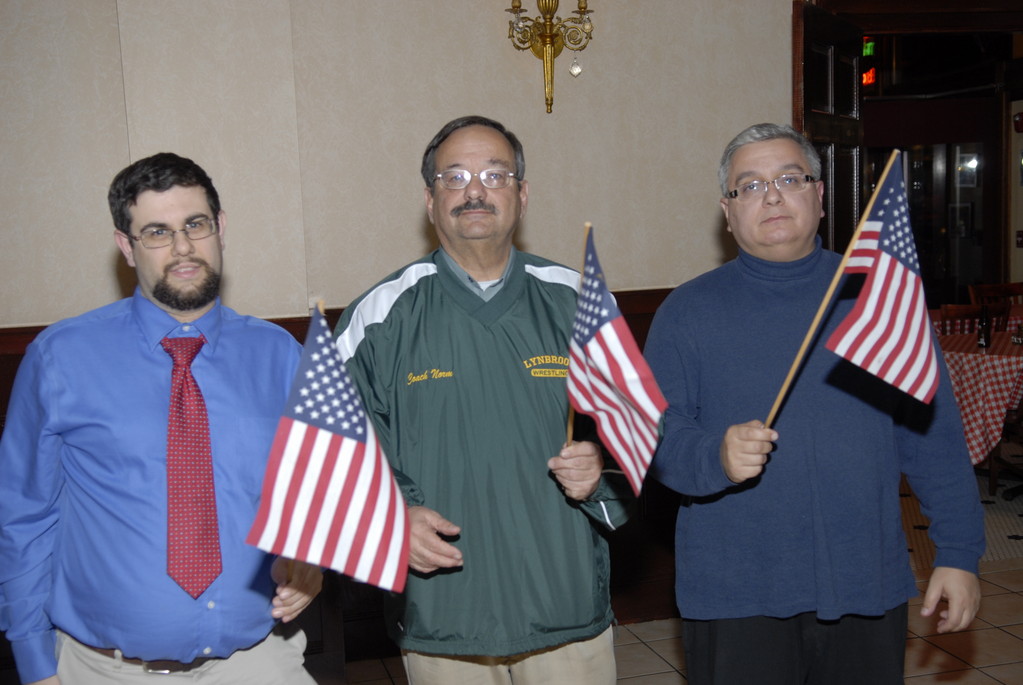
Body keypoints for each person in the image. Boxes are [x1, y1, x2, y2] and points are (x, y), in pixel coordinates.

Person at [643, 123, 985, 684]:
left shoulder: (880, 304)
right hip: (736, 590)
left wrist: (959, 551)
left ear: (820, 196)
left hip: (864, 581)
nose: (771, 195)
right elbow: (656, 442)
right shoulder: (687, 312)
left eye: (789, 178)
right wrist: (716, 457)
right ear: (726, 212)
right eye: (748, 186)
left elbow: (934, 441)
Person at [0, 152, 323, 685]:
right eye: (156, 232)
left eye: (195, 225)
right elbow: (23, 518)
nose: (182, 248)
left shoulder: (281, 356)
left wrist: (312, 568)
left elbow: (314, 492)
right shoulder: (60, 359)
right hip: (103, 670)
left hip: (256, 661)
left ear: (219, 228)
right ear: (126, 246)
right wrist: (35, 663)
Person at [333, 115, 633, 684]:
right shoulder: (377, 317)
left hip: (564, 610)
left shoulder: (578, 300)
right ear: (429, 199)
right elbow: (332, 452)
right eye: (455, 176)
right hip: (445, 618)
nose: (475, 190)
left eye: (495, 175)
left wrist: (602, 465)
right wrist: (388, 516)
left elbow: (641, 428)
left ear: (522, 194)